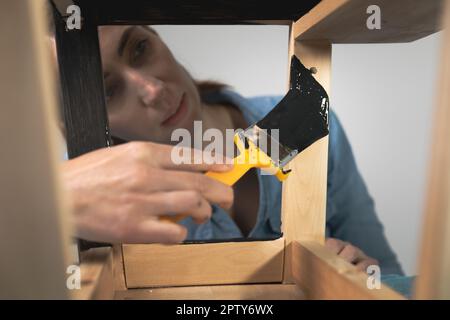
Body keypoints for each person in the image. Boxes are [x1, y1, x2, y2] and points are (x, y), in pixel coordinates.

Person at [55, 25, 403, 275]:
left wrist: (359, 276)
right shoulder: (74, 199)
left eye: (139, 48)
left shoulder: (307, 120)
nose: (154, 89)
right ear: (73, 123)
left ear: (157, 36)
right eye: (108, 91)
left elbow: (387, 273)